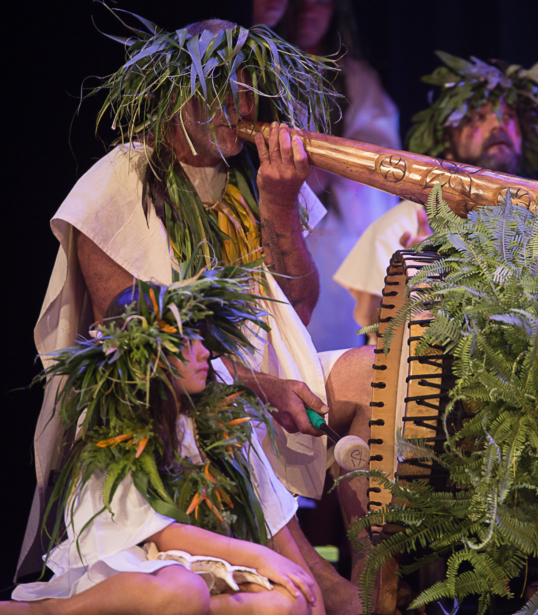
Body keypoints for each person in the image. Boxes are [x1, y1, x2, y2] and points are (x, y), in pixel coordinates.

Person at [20, 13, 373, 615]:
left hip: (269, 374)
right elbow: (137, 347)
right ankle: (328, 587)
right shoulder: (118, 182)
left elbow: (300, 309)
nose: (246, 101)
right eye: (229, 85)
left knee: (375, 373)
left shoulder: (251, 177)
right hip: (178, 395)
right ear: (181, 90)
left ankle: (375, 577)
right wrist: (259, 388)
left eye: (251, 85)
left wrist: (279, 200)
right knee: (222, 407)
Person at [4, 274, 323, 615]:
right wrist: (259, 556)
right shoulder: (119, 428)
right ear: (149, 356)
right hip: (131, 571)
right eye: (187, 342)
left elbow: (273, 518)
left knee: (286, 601)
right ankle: (48, 611)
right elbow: (163, 533)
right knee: (183, 590)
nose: (205, 351)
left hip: (197, 572)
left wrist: (308, 587)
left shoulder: (224, 421)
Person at [334, 53, 538, 333]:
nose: (497, 125)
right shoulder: (403, 225)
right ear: (447, 142)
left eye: (508, 117)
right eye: (476, 118)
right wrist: (414, 279)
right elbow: (373, 327)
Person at [283, 0, 402, 351]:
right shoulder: (262, 77)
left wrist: (322, 166)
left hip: (337, 236)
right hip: (275, 226)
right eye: (297, 1)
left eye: (318, 1)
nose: (307, 9)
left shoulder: (355, 80)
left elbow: (379, 151)